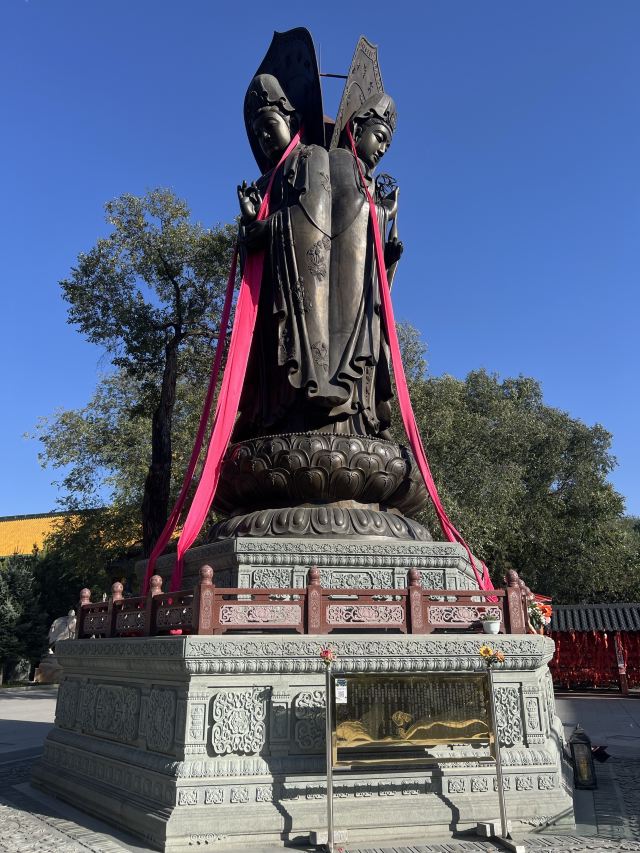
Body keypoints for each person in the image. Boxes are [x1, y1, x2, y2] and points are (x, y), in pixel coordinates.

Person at [233, 73, 334, 440]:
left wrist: (269, 226)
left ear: (290, 120)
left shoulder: (311, 158)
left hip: (300, 275)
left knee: (298, 337)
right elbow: (250, 243)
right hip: (269, 279)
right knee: (264, 350)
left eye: (270, 126)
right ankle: (264, 412)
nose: (264, 137)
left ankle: (311, 390)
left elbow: (315, 213)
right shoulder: (262, 182)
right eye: (257, 132)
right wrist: (249, 224)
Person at [327, 93, 403, 438]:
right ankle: (340, 414)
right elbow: (348, 214)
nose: (382, 149)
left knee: (373, 351)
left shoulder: (366, 179)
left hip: (364, 290)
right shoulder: (341, 162)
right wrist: (385, 210)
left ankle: (366, 416)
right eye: (379, 137)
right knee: (345, 352)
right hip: (340, 288)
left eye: (387, 144)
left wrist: (388, 257)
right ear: (357, 128)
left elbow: (367, 244)